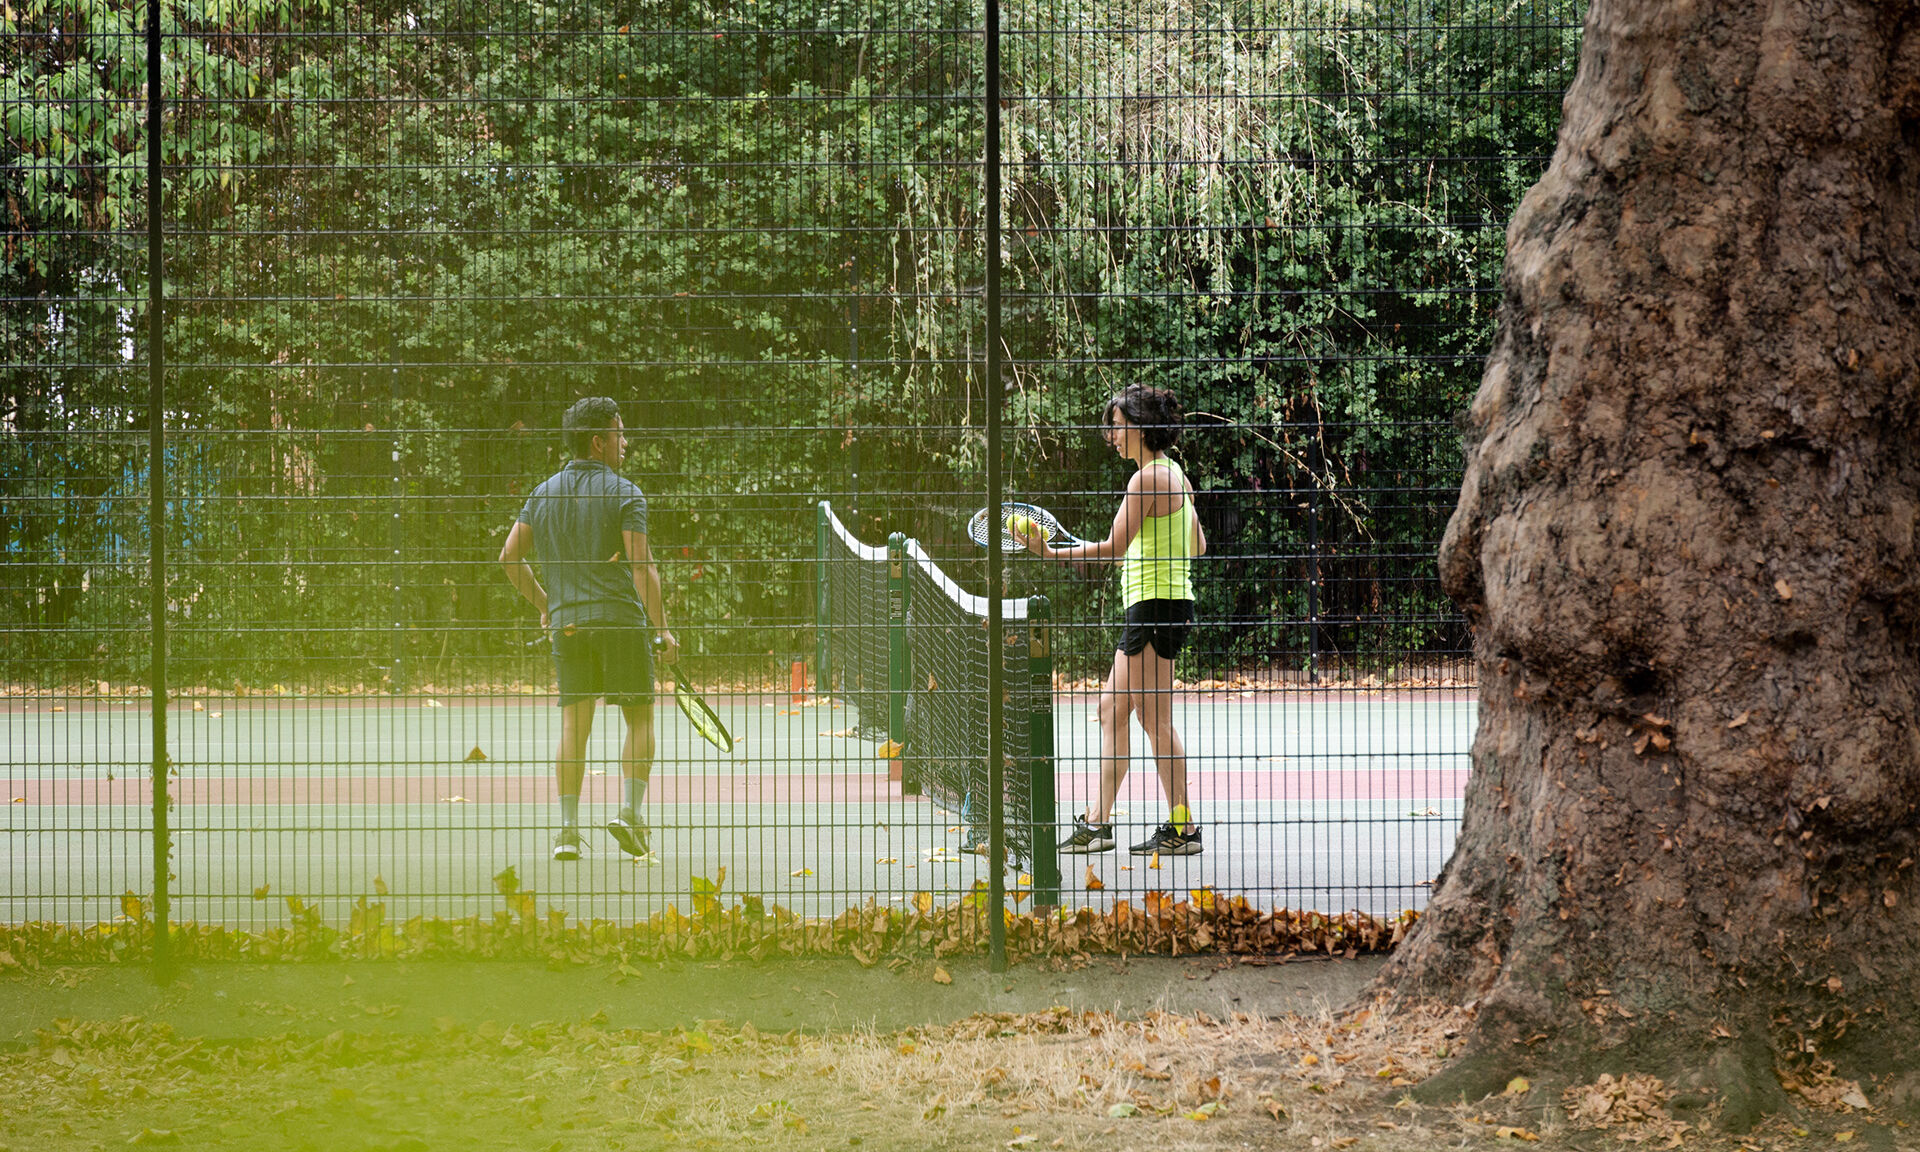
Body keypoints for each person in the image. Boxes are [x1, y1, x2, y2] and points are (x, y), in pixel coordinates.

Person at [1016, 385, 1206, 856]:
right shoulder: (1175, 475)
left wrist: (1049, 551)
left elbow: (1113, 549)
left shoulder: (1145, 481)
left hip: (1156, 607)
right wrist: (1150, 553)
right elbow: (1197, 544)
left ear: (1141, 428)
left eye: (1118, 427)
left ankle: (1182, 829)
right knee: (1111, 710)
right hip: (1158, 604)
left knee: (1155, 721)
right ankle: (1098, 824)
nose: (1111, 436)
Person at [500, 397, 679, 861]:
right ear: (598, 441)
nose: (626, 442)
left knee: (573, 726)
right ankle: (630, 814)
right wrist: (662, 631)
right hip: (621, 620)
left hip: (569, 624)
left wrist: (548, 605)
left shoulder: (541, 493)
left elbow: (509, 559)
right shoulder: (626, 493)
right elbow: (642, 565)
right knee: (640, 717)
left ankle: (567, 832)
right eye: (620, 434)